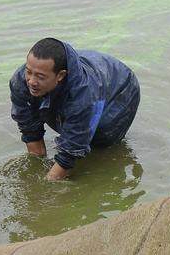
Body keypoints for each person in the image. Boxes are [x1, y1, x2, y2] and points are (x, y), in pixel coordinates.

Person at [10, 38, 141, 179]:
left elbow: (73, 147)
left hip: (121, 90)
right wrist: (35, 166)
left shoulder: (83, 97)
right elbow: (29, 127)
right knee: (65, 125)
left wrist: (49, 182)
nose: (31, 81)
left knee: (99, 145)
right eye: (29, 72)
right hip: (88, 78)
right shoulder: (21, 81)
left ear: (61, 75)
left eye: (40, 77)